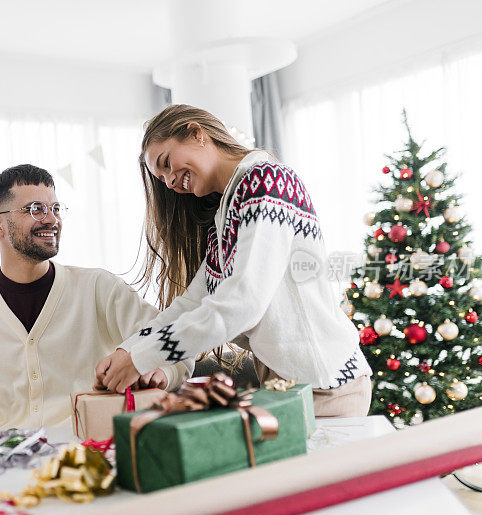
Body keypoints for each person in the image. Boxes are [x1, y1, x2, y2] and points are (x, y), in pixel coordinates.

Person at [96, 105, 372, 417]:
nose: (170, 182)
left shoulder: (265, 182)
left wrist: (142, 357)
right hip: (289, 387)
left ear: (196, 133)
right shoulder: (226, 217)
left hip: (327, 386)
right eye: (162, 179)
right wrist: (127, 349)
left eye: (166, 163)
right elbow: (190, 304)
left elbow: (243, 302)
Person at [0, 164, 193, 432]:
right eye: (36, 209)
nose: (52, 219)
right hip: (5, 457)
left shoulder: (99, 287)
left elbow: (177, 341)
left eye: (55, 208)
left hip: (90, 452)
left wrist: (161, 372)